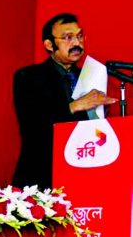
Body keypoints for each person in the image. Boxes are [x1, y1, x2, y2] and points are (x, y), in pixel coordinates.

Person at [12, 13, 116, 189]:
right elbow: (33, 127)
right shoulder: (28, 77)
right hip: (41, 176)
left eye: (79, 36)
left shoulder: (90, 76)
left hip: (83, 173)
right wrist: (75, 106)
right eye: (68, 37)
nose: (76, 43)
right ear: (49, 45)